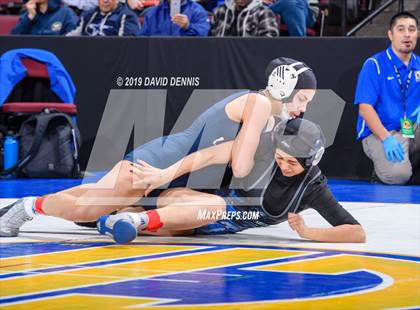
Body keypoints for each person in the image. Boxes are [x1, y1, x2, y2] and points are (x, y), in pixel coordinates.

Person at [0, 57, 317, 237]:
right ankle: (26, 208)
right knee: (85, 208)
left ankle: (34, 204)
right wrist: (272, 146)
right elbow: (240, 167)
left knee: (93, 198)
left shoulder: (268, 120)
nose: (302, 110)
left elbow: (210, 155)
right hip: (161, 160)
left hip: (171, 169)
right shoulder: (260, 104)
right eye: (302, 100)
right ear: (285, 88)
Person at [98, 118, 366, 244]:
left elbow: (356, 232)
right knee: (214, 207)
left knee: (175, 230)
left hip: (202, 227)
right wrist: (165, 174)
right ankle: (136, 218)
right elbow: (208, 155)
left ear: (310, 162)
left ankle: (119, 218)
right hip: (192, 197)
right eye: (280, 157)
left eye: (291, 163)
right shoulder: (262, 147)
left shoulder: (313, 187)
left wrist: (309, 233)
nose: (282, 165)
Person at [354, 12, 420, 185]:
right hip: (381, 132)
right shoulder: (374, 64)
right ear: (391, 34)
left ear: (417, 34)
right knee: (397, 176)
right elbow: (365, 109)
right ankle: (386, 170)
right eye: (401, 29)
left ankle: (408, 165)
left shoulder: (419, 65)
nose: (407, 34)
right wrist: (386, 138)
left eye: (412, 29)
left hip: (411, 129)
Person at [66, 0, 140, 36]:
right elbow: (71, 37)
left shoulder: (127, 16)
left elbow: (127, 45)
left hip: (113, 59)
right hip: (87, 55)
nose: (105, 1)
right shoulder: (88, 16)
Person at [139, 0, 210, 36]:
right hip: (159, 58)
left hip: (188, 58)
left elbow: (204, 36)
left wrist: (188, 27)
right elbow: (141, 41)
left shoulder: (198, 11)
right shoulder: (152, 13)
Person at [210, 0, 278, 37]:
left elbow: (270, 40)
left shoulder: (264, 12)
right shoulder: (220, 10)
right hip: (221, 56)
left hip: (249, 58)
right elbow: (210, 37)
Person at [10, 0, 78, 35]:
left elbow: (72, 41)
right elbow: (13, 39)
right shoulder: (29, 13)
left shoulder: (66, 13)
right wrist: (29, 18)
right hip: (31, 57)